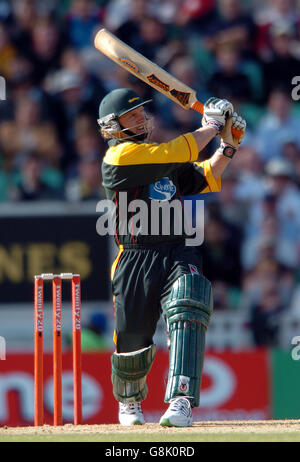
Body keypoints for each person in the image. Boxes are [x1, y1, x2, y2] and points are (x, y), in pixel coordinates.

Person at [97, 87, 246, 427]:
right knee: (133, 337)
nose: (140, 119)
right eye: (130, 116)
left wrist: (228, 145)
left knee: (190, 299)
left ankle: (181, 400)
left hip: (178, 249)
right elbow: (181, 148)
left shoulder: (160, 155)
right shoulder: (119, 157)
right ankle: (130, 400)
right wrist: (210, 124)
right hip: (135, 257)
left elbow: (204, 176)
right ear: (111, 126)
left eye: (140, 113)